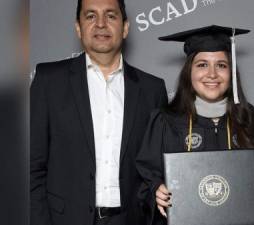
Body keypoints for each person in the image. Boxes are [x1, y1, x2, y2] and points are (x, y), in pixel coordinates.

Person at [30, 0, 168, 224]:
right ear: (78, 27)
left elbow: (157, 169)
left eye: (111, 16)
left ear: (125, 28)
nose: (101, 24)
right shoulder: (48, 81)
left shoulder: (152, 89)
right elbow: (31, 168)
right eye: (91, 16)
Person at [135, 25, 254, 225]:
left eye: (221, 65)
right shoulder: (165, 121)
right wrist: (155, 192)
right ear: (189, 72)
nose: (212, 74)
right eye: (202, 64)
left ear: (232, 72)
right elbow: (143, 184)